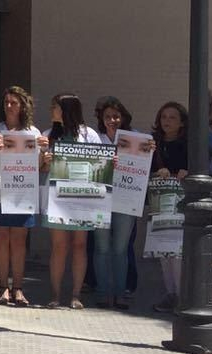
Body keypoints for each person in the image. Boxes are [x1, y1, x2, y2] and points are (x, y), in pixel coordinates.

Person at [40, 93, 103, 309]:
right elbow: (39, 170)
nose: (51, 111)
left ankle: (76, 295)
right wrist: (44, 161)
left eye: (55, 107)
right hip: (57, 198)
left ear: (67, 110)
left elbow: (100, 163)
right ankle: (55, 295)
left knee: (79, 245)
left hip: (82, 197)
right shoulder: (47, 135)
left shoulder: (89, 135)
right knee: (59, 246)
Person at [0, 86, 40, 307]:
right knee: (0, 239)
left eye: (13, 103)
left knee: (18, 241)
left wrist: (43, 151)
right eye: (6, 102)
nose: (8, 106)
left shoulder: (32, 132)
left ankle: (18, 288)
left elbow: (38, 164)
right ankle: (2, 288)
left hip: (22, 192)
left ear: (23, 106)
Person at [92, 96, 137, 310]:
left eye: (116, 116)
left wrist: (149, 149)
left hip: (126, 199)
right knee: (101, 248)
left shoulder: (135, 138)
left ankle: (120, 293)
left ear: (123, 117)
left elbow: (144, 163)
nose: (112, 120)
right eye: (108, 116)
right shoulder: (95, 139)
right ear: (101, 118)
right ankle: (102, 292)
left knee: (120, 248)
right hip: (100, 200)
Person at [148, 101, 191, 313]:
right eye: (164, 117)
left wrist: (186, 173)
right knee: (162, 249)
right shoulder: (153, 144)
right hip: (160, 203)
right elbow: (143, 171)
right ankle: (170, 293)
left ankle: (182, 296)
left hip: (181, 204)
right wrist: (156, 173)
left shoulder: (190, 144)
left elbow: (200, 171)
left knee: (178, 251)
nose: (167, 121)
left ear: (182, 122)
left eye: (172, 117)